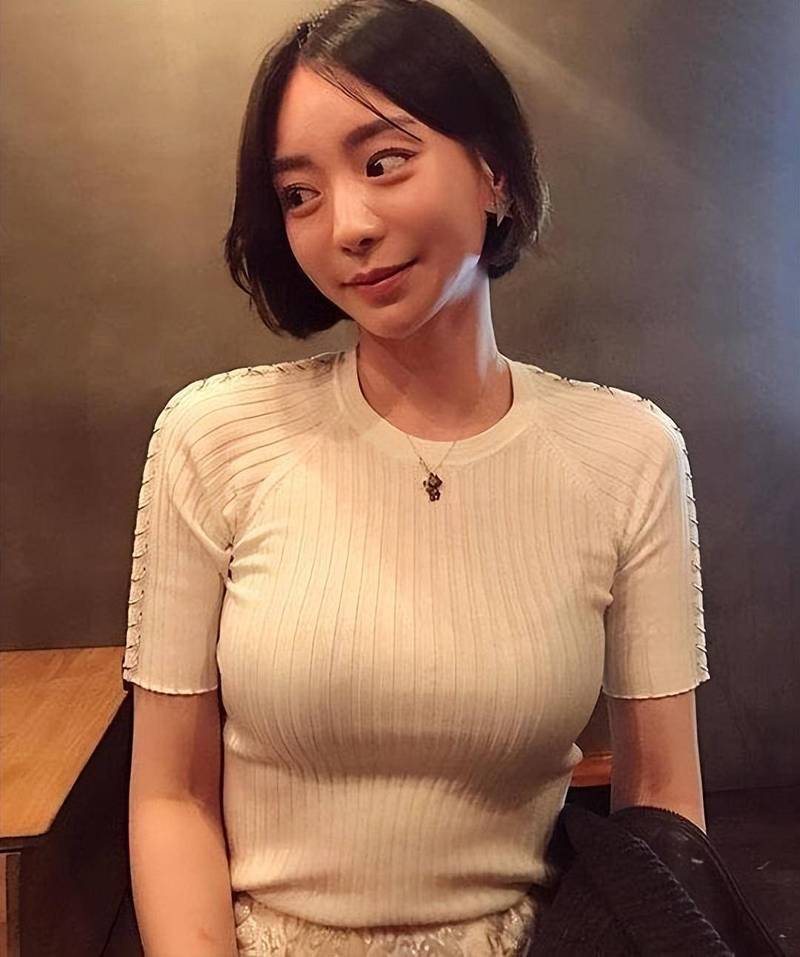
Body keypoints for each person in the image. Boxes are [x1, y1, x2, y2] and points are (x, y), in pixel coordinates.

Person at [121, 1, 711, 954]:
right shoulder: (213, 437)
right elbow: (171, 795)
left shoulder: (630, 452)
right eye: (300, 193)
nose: (347, 225)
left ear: (495, 172)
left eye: (384, 162)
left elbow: (664, 803)